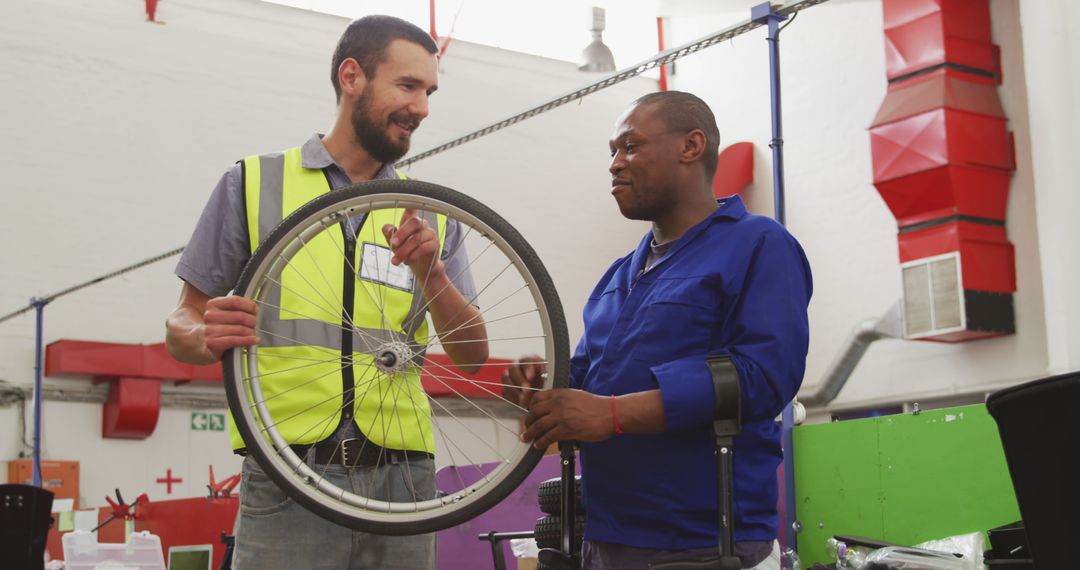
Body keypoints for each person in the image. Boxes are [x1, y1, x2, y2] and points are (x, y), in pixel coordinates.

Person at [165, 15, 487, 570]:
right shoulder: (253, 184)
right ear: (352, 76)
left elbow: (472, 356)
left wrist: (433, 273)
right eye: (408, 86)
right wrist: (203, 335)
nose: (422, 107)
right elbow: (181, 324)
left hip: (405, 484)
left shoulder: (429, 213)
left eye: (429, 92)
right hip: (288, 473)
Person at [504, 91, 812, 570]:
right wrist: (543, 390)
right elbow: (587, 383)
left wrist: (614, 414)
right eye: (611, 151)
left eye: (630, 146)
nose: (614, 164)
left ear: (691, 146)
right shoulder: (617, 276)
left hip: (707, 546)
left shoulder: (759, 245)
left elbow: (763, 376)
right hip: (605, 542)